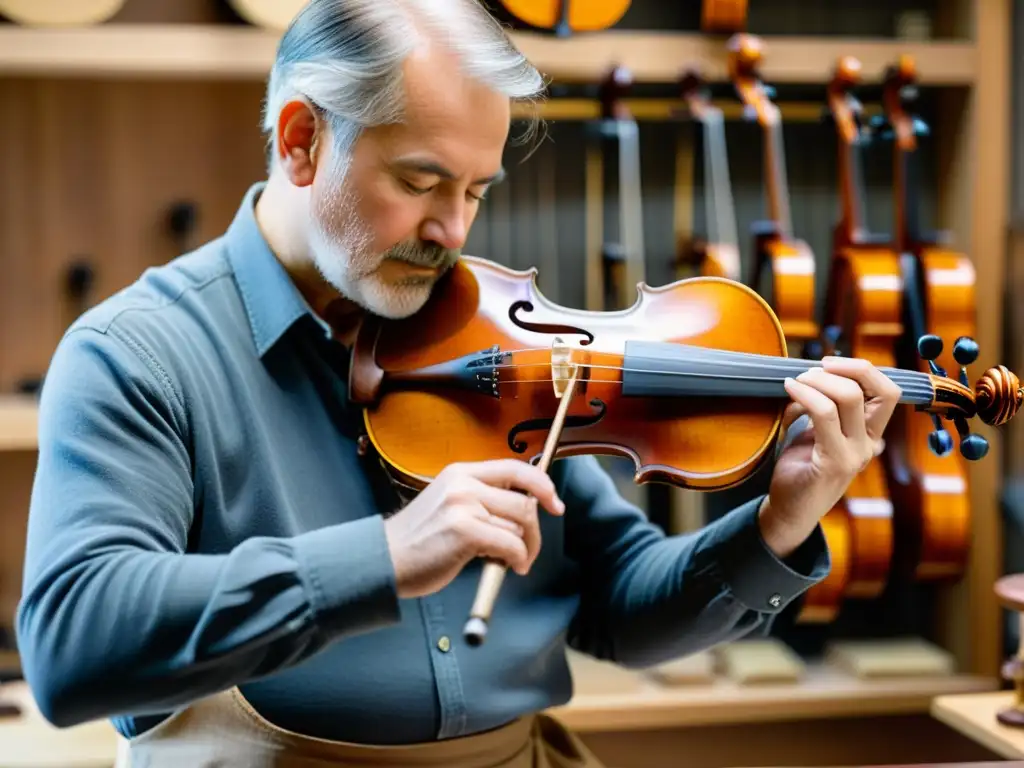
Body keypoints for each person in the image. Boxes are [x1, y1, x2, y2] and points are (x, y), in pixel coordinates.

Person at [15, 1, 901, 766]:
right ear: (300, 141)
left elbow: (620, 609)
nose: (451, 228)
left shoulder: (490, 333)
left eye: (477, 188)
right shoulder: (138, 354)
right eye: (420, 181)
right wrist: (385, 558)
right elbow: (73, 644)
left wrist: (783, 521)